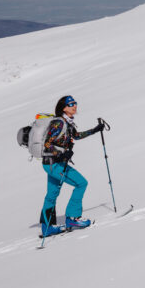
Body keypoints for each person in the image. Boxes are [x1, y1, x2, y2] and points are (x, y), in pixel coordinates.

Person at [39, 95, 106, 236]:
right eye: (70, 104)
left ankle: (47, 227)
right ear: (63, 108)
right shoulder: (59, 123)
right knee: (81, 183)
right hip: (54, 164)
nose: (74, 106)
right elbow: (47, 144)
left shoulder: (67, 123)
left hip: (52, 163)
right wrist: (61, 154)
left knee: (51, 195)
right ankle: (72, 218)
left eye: (75, 103)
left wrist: (94, 130)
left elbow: (76, 136)